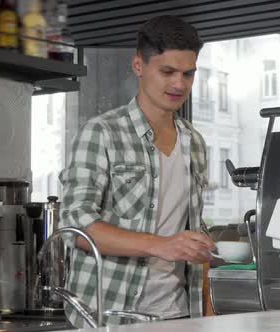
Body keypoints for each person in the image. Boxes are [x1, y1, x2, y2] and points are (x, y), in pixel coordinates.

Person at [59, 15, 215, 327]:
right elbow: (75, 225)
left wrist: (208, 311)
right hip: (109, 315)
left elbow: (194, 233)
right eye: (167, 71)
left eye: (188, 74)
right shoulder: (102, 133)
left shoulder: (194, 142)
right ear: (138, 65)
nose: (178, 84)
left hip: (181, 314)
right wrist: (162, 245)